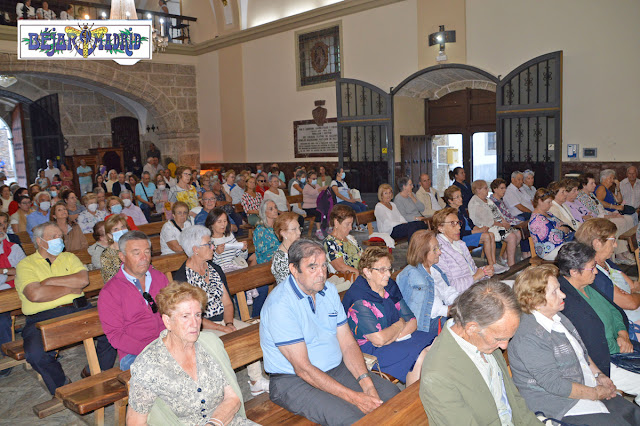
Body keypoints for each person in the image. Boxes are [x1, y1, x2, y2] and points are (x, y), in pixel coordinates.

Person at [260, 239, 400, 424]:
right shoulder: (280, 305)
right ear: (294, 269)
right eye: (312, 267)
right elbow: (303, 369)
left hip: (335, 368)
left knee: (393, 397)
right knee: (354, 418)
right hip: (292, 380)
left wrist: (367, 384)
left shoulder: (329, 291)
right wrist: (356, 398)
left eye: (324, 265)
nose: (321, 273)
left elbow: (348, 344)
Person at [510, 264, 640, 424]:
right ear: (534, 301)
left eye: (559, 289)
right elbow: (555, 385)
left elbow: (582, 353)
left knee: (634, 415)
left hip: (584, 386)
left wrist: (599, 375)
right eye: (555, 292)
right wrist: (595, 393)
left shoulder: (559, 317)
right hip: (559, 404)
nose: (563, 295)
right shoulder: (528, 337)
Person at [126, 281, 257, 425]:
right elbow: (136, 422)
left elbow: (233, 398)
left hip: (224, 422)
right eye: (185, 316)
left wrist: (213, 423)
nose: (194, 323)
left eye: (197, 315)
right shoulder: (149, 363)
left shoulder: (210, 344)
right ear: (167, 321)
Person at [419, 280, 540, 425]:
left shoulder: (484, 340)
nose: (504, 346)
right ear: (471, 328)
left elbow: (515, 402)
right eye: (500, 339)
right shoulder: (439, 376)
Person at [16, 222, 116, 394]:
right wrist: (70, 288)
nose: (59, 240)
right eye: (53, 237)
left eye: (60, 236)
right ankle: (62, 386)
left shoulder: (69, 257)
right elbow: (35, 295)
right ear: (40, 242)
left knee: (113, 330)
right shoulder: (26, 264)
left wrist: (47, 283)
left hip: (78, 309)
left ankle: (94, 372)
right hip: (43, 317)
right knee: (35, 353)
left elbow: (82, 281)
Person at [172, 226, 271, 397]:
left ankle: (256, 381)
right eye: (208, 244)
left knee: (251, 333)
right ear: (195, 250)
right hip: (199, 327)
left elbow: (227, 303)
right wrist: (222, 329)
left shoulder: (214, 269)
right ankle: (222, 393)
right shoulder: (183, 278)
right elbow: (193, 318)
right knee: (219, 344)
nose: (212, 247)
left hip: (223, 321)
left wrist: (229, 323)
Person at [556, 242, 640, 402]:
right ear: (574, 272)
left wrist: (623, 334)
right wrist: (618, 347)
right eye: (591, 267)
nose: (596, 271)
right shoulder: (565, 302)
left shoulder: (588, 284)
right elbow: (587, 347)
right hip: (604, 360)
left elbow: (614, 311)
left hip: (620, 347)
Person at [342, 247, 435, 385]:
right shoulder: (358, 298)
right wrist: (399, 324)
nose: (387, 274)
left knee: (435, 344)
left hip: (394, 339)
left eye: (389, 269)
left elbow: (412, 320)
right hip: (370, 351)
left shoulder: (389, 286)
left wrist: (394, 335)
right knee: (419, 357)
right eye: (382, 270)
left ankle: (430, 393)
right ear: (367, 272)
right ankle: (412, 401)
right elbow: (378, 340)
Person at [98, 231, 170, 371]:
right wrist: (153, 351)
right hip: (135, 353)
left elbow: (173, 313)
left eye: (147, 252)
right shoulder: (110, 292)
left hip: (168, 343)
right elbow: (116, 336)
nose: (144, 258)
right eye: (136, 253)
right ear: (122, 256)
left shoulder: (159, 277)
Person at [575, 219, 640, 335]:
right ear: (597, 243)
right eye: (613, 240)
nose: (615, 245)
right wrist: (635, 292)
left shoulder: (607, 263)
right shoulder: (594, 274)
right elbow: (631, 303)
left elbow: (634, 286)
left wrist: (634, 292)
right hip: (629, 327)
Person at [397, 229, 457, 335]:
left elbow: (446, 291)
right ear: (422, 253)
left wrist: (460, 302)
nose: (440, 252)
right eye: (435, 249)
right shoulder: (413, 274)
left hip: (439, 317)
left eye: (439, 247)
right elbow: (430, 310)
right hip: (425, 324)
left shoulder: (434, 269)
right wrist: (454, 310)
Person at [444, 185, 507, 273]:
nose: (460, 199)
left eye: (460, 196)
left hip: (469, 233)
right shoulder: (449, 213)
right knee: (486, 237)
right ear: (450, 201)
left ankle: (494, 263)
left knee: (491, 235)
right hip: (460, 237)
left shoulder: (460, 208)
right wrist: (478, 231)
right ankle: (491, 265)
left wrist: (480, 229)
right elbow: (460, 233)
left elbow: (470, 222)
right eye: (457, 197)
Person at [433, 207, 494, 292]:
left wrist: (485, 271)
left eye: (458, 223)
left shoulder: (460, 244)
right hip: (460, 296)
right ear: (440, 228)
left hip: (473, 288)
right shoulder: (438, 251)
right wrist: (476, 277)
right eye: (452, 223)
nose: (458, 227)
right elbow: (449, 286)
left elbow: (473, 270)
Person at [468, 179, 521, 267]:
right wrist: (502, 225)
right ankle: (511, 264)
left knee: (518, 233)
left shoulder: (487, 200)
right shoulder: (475, 203)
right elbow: (487, 222)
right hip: (488, 228)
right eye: (485, 188)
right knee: (511, 237)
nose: (488, 190)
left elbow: (498, 213)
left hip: (499, 225)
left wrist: (504, 222)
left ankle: (504, 258)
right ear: (478, 190)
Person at [251, 200, 280, 317]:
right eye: (271, 208)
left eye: (275, 207)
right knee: (263, 289)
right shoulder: (260, 229)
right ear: (265, 212)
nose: (275, 210)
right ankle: (256, 316)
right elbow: (261, 252)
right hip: (265, 264)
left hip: (278, 261)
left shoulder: (279, 227)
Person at [529, 188, 573, 260]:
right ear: (540, 201)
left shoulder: (548, 213)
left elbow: (564, 225)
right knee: (578, 252)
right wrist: (563, 230)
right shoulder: (537, 220)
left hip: (559, 245)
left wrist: (562, 229)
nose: (551, 204)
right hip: (549, 251)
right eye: (548, 202)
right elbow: (554, 237)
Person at [205, 208, 252, 272]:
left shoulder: (229, 236)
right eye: (219, 222)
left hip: (235, 269)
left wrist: (243, 250)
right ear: (211, 223)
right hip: (220, 273)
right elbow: (209, 264)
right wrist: (217, 253)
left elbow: (243, 257)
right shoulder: (208, 241)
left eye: (225, 221)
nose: (223, 224)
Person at [323, 204, 362, 276]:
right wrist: (362, 275)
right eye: (347, 224)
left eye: (351, 224)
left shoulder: (350, 238)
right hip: (348, 279)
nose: (350, 228)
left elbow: (363, 256)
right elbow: (340, 267)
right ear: (336, 222)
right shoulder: (330, 242)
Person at [270, 212, 301, 285]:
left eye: (299, 228)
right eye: (294, 229)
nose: (299, 232)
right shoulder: (280, 259)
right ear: (283, 233)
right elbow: (290, 285)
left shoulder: (297, 248)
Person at [100, 214, 130, 284]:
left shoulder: (134, 247)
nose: (121, 231)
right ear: (110, 235)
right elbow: (110, 281)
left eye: (123, 227)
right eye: (116, 229)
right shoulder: (106, 255)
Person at [301, 171, 325, 239]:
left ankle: (329, 227)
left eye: (316, 178)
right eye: (313, 178)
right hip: (308, 207)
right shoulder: (306, 187)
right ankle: (318, 230)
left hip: (316, 206)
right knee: (318, 212)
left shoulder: (317, 185)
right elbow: (313, 193)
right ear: (308, 179)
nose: (315, 180)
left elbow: (321, 193)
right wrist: (321, 189)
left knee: (327, 209)